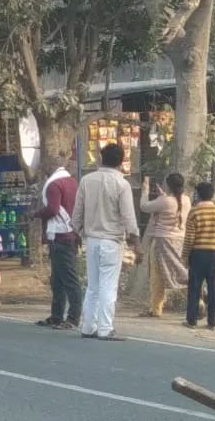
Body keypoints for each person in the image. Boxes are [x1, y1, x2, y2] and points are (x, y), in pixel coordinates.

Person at [70, 143, 140, 341]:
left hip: (91, 240)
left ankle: (88, 327)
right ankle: (105, 328)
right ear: (121, 161)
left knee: (92, 286)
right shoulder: (122, 184)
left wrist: (75, 233)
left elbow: (78, 211)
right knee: (108, 286)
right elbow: (128, 216)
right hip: (111, 242)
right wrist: (136, 241)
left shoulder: (87, 180)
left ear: (101, 158)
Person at [35, 162, 80, 329]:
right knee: (58, 279)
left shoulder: (54, 185)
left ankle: (72, 319)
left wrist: (37, 214)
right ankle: (56, 316)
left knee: (67, 280)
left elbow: (53, 209)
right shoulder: (72, 182)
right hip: (70, 234)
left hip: (60, 236)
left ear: (49, 169)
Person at [140, 173, 190, 318]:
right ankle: (198, 300)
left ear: (168, 186)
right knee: (183, 272)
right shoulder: (186, 200)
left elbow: (144, 206)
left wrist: (145, 190)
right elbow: (171, 204)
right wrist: (163, 197)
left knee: (157, 276)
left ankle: (156, 308)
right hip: (180, 241)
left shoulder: (164, 201)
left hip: (162, 242)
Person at [182, 182, 215, 331]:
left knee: (194, 287)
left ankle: (192, 320)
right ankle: (212, 322)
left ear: (198, 195)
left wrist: (185, 256)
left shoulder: (194, 212)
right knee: (213, 287)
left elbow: (189, 238)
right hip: (214, 254)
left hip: (198, 254)